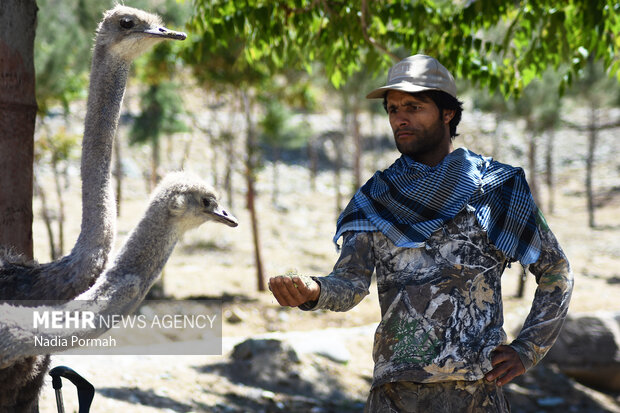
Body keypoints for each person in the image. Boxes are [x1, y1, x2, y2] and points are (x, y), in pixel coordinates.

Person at [268, 54, 573, 412]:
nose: (400, 117)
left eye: (413, 106)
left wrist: (528, 349)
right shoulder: (376, 198)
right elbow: (350, 285)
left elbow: (556, 272)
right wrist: (314, 290)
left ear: (447, 113)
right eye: (393, 108)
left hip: (476, 393)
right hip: (395, 395)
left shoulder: (495, 188)